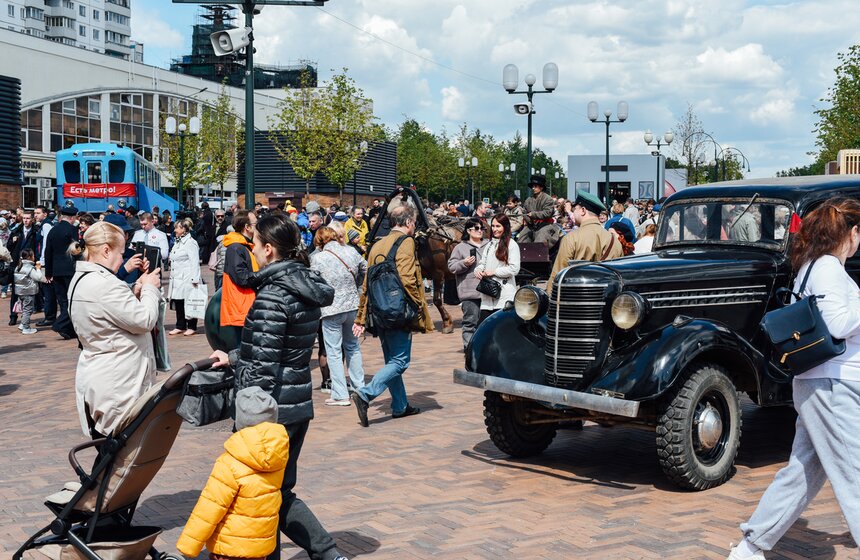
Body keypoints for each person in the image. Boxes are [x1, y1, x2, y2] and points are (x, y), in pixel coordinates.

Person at [727, 198, 860, 560]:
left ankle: (750, 547)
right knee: (854, 473)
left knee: (802, 473)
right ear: (850, 233)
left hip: (820, 384)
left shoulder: (811, 267)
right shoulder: (829, 268)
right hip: (833, 386)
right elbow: (838, 324)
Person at [209, 213, 347, 560]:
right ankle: (327, 552)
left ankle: (323, 552)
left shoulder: (272, 294)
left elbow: (265, 366)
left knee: (263, 494)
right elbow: (275, 347)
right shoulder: (302, 284)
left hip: (272, 407)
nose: (251, 250)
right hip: (297, 400)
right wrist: (235, 356)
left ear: (269, 249)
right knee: (277, 490)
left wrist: (248, 415)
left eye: (254, 244)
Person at [69, 220, 161, 438]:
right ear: (106, 250)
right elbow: (144, 319)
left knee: (111, 454)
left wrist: (135, 291)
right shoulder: (104, 284)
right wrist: (149, 288)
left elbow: (113, 314)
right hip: (118, 383)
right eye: (121, 253)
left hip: (104, 373)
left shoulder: (83, 277)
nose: (123, 260)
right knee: (118, 456)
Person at [176, 387, 289, 560]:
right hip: (260, 548)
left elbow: (210, 508)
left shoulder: (230, 462)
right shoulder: (278, 457)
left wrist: (189, 545)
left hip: (228, 548)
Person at [351, 205, 433, 427]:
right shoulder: (406, 242)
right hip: (398, 310)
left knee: (391, 360)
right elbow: (407, 278)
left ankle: (400, 405)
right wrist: (417, 304)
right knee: (400, 361)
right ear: (408, 223)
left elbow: (366, 285)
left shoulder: (377, 244)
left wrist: (361, 316)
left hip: (379, 310)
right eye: (414, 223)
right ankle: (366, 394)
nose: (414, 227)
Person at [310, 226, 368, 406]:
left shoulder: (317, 258)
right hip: (352, 305)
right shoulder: (350, 251)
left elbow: (313, 282)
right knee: (353, 347)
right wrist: (356, 287)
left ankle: (340, 393)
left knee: (334, 352)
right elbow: (365, 269)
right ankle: (360, 389)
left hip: (331, 308)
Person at [547, 191, 624, 295]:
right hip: (606, 301)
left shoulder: (571, 238)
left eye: (575, 209)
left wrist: (549, 295)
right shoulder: (614, 240)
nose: (573, 213)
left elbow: (558, 275)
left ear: (583, 210)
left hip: (577, 301)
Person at [447, 218, 489, 348]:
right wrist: (464, 263)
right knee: (470, 322)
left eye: (481, 228)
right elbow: (451, 266)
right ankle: (469, 349)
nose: (479, 231)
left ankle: (486, 350)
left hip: (489, 291)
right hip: (470, 291)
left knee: (487, 323)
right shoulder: (460, 247)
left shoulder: (489, 245)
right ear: (468, 231)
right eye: (476, 228)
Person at [220, 210, 259, 346]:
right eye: (255, 223)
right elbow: (241, 278)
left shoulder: (244, 246)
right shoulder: (236, 248)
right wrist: (264, 275)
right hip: (241, 307)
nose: (258, 225)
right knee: (244, 349)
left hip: (246, 306)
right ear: (247, 227)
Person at [474, 214, 520, 322]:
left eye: (498, 226)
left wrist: (494, 272)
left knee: (502, 332)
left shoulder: (512, 245)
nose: (495, 229)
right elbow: (482, 263)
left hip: (504, 295)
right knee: (483, 330)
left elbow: (514, 268)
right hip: (487, 295)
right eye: (493, 226)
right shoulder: (489, 245)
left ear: (505, 227)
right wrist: (478, 270)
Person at [44, 205, 80, 339]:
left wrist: (48, 272)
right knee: (72, 300)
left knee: (63, 300)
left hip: (56, 270)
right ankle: (60, 324)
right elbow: (76, 250)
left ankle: (67, 330)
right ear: (72, 218)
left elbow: (48, 251)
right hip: (70, 269)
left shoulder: (53, 230)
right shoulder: (72, 230)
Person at [167, 217, 202, 336]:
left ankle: (192, 326)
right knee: (179, 301)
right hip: (177, 278)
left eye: (177, 228)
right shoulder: (178, 242)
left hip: (187, 277)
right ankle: (180, 325)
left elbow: (194, 261)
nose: (175, 230)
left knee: (190, 301)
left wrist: (195, 278)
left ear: (184, 229)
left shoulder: (191, 242)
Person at [517, 175, 560, 248]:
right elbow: (524, 213)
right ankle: (523, 257)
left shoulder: (548, 199)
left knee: (540, 240)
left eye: (535, 186)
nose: (533, 188)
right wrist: (529, 219)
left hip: (545, 224)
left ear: (541, 187)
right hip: (531, 225)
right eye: (532, 186)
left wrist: (533, 214)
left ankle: (540, 257)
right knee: (521, 238)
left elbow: (548, 213)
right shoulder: (528, 200)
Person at [13, 248, 46, 334]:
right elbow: (38, 277)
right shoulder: (29, 268)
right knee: (28, 310)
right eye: (33, 255)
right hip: (28, 292)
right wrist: (38, 269)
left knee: (25, 309)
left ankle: (22, 324)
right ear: (30, 257)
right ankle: (26, 328)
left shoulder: (18, 266)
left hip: (20, 292)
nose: (34, 257)